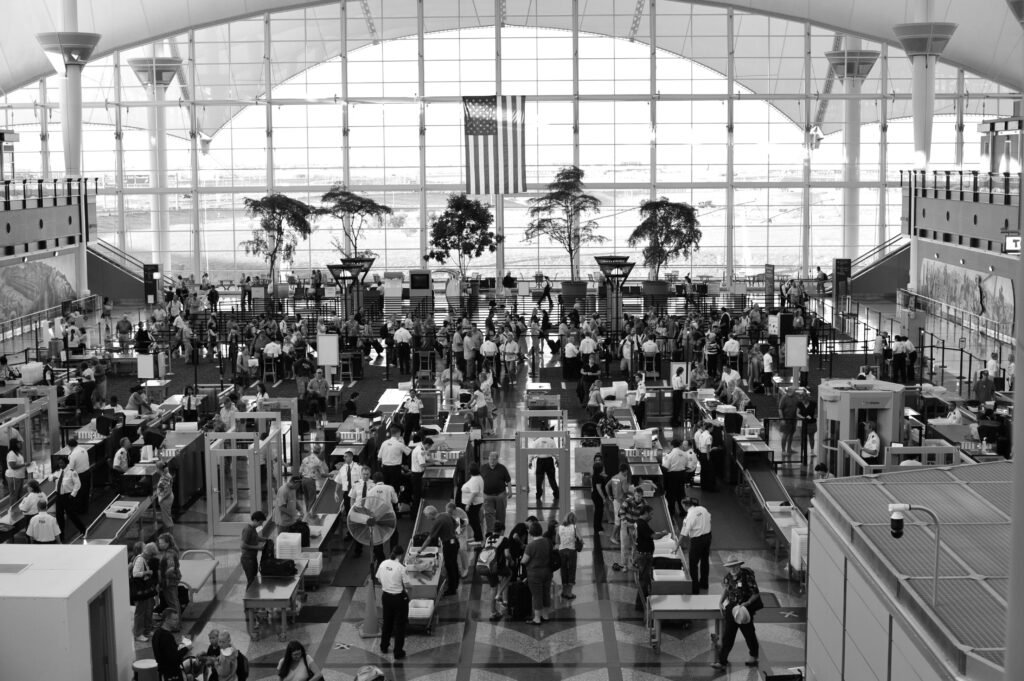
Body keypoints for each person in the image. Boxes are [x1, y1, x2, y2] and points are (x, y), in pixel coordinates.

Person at [713, 555, 762, 670]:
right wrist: (721, 602)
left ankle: (753, 656)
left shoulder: (747, 576)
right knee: (728, 635)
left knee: (749, 634)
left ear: (739, 565)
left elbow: (756, 593)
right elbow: (726, 589)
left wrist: (747, 603)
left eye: (735, 566)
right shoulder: (727, 577)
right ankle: (722, 661)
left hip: (744, 609)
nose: (733, 569)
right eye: (730, 567)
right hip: (731, 609)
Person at [376, 545, 411, 659]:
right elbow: (407, 585)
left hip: (386, 597)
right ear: (400, 555)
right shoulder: (401, 568)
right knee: (400, 625)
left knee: (387, 622)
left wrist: (388, 585)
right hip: (398, 599)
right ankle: (398, 652)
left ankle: (384, 646)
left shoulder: (383, 564)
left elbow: (378, 579)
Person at [676, 497, 712, 594]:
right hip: (708, 537)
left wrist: (677, 546)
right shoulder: (703, 509)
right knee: (705, 561)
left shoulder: (690, 515)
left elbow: (684, 533)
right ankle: (704, 584)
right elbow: (709, 518)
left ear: (684, 505)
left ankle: (694, 589)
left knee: (693, 564)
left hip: (697, 540)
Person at [424, 504, 460, 596]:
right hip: (455, 542)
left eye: (426, 515)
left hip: (449, 545)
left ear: (431, 514)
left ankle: (452, 590)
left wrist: (421, 549)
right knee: (454, 564)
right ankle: (455, 584)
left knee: (449, 566)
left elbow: (430, 538)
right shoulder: (446, 514)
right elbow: (457, 524)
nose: (427, 518)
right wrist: (450, 532)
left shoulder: (438, 521)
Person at [520, 521, 553, 624]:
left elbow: (524, 561)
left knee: (537, 595)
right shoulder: (548, 542)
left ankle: (537, 618)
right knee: (546, 593)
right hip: (547, 571)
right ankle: (546, 615)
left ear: (530, 533)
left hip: (535, 574)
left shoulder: (530, 546)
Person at [615, 486, 651, 572]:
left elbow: (647, 517)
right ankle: (624, 565)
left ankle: (634, 562)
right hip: (626, 526)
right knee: (624, 546)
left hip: (636, 528)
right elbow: (621, 511)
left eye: (639, 496)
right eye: (636, 495)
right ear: (634, 495)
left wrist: (639, 525)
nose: (638, 498)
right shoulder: (628, 501)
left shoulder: (645, 505)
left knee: (636, 546)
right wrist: (624, 521)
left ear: (642, 495)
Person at [132, 542, 159, 641]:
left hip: (144, 589)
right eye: (151, 555)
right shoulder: (140, 559)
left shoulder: (142, 558)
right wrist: (147, 572)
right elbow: (135, 574)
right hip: (140, 590)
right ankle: (138, 633)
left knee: (146, 609)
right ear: (148, 553)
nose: (151, 558)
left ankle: (145, 630)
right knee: (140, 612)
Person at [152, 612, 190, 681]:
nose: (177, 622)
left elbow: (166, 651)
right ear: (167, 619)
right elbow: (173, 658)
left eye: (177, 619)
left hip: (163, 671)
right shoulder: (166, 636)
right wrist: (186, 648)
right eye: (174, 619)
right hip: (171, 674)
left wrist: (177, 646)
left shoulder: (157, 633)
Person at [54, 457, 85, 540]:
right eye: (59, 463)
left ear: (66, 463)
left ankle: (83, 529)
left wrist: (73, 494)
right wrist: (52, 478)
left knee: (71, 515)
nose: (60, 465)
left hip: (68, 496)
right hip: (59, 496)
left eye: (61, 463)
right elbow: (51, 477)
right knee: (59, 516)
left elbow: (77, 484)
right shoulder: (58, 472)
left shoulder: (72, 472)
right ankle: (61, 535)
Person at [481, 451, 511, 536]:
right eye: (491, 458)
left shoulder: (502, 468)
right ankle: (490, 533)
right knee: (489, 515)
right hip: (487, 495)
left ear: (497, 459)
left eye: (494, 459)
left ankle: (500, 533)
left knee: (500, 515)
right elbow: (479, 480)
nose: (492, 461)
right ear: (488, 458)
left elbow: (508, 480)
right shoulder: (483, 468)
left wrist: (510, 491)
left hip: (500, 495)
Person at [157, 532, 182, 625]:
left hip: (169, 582)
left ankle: (176, 624)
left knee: (173, 603)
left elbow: (171, 567)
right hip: (171, 580)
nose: (159, 544)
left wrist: (164, 575)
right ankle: (176, 622)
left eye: (161, 543)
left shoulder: (169, 554)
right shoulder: (171, 551)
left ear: (167, 543)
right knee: (174, 602)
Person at [605, 462, 631, 548]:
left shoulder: (614, 477)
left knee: (619, 519)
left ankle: (617, 536)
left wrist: (609, 495)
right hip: (620, 501)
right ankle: (612, 537)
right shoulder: (623, 478)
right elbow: (625, 491)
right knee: (618, 521)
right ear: (626, 470)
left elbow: (606, 486)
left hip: (615, 500)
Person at [661, 439, 689, 517]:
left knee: (671, 495)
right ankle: (683, 511)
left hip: (672, 477)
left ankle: (671, 512)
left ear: (672, 445)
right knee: (681, 494)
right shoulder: (684, 454)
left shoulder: (670, 455)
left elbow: (666, 467)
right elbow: (686, 465)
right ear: (680, 445)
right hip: (682, 476)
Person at [378, 425, 410, 491]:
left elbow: (379, 458)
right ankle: (395, 501)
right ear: (399, 433)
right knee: (395, 488)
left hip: (385, 469)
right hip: (395, 469)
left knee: (385, 488)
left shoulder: (384, 443)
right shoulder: (399, 444)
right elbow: (409, 452)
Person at [240, 511, 267, 587]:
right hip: (247, 559)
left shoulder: (253, 528)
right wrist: (257, 548)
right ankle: (248, 597)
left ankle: (254, 597)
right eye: (260, 523)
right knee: (251, 581)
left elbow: (255, 537)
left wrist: (264, 539)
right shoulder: (247, 529)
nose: (261, 525)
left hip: (252, 558)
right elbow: (243, 545)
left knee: (254, 580)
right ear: (255, 520)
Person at [460, 462, 485, 542]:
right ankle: (476, 536)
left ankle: (478, 538)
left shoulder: (475, 480)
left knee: (473, 521)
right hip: (475, 503)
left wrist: (468, 504)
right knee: (474, 520)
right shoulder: (477, 477)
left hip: (473, 504)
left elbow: (474, 492)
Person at [557, 512, 580, 599]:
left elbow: (557, 540)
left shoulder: (559, 527)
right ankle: (569, 593)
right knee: (571, 570)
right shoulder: (574, 527)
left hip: (562, 551)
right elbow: (580, 538)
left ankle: (564, 591)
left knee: (563, 570)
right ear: (574, 520)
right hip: (571, 551)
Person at [591, 456, 609, 535]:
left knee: (599, 512)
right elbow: (599, 488)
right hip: (598, 497)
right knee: (598, 512)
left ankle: (598, 526)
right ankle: (597, 528)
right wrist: (603, 498)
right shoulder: (598, 477)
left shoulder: (596, 475)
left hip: (595, 495)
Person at [154, 461, 175, 529]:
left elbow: (167, 491)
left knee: (167, 520)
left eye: (156, 468)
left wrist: (161, 499)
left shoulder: (165, 478)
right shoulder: (165, 475)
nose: (155, 470)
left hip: (166, 500)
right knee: (166, 518)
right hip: (167, 498)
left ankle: (169, 536)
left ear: (159, 469)